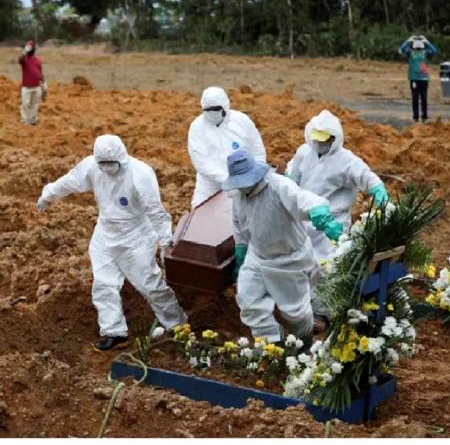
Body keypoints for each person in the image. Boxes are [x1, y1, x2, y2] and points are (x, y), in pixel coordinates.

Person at [36, 134, 187, 351]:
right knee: (104, 284)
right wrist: (48, 195)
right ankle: (114, 331)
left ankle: (178, 326)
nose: (107, 168)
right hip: (105, 233)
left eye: (111, 164)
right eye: (103, 164)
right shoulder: (91, 167)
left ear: (121, 158)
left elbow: (156, 211)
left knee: (150, 284)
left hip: (136, 235)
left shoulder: (141, 174)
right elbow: (69, 181)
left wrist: (165, 241)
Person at [221, 149, 343, 346]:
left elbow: (303, 199)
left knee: (294, 312)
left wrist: (321, 215)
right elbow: (240, 226)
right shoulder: (239, 196)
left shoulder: (278, 186)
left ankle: (304, 341)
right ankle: (272, 343)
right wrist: (241, 251)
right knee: (248, 301)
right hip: (258, 256)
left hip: (289, 258)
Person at [285, 110, 389, 328]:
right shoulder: (304, 153)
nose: (319, 144)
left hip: (332, 225)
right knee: (300, 264)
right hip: (305, 218)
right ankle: (302, 309)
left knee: (326, 267)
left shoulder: (347, 161)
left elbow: (368, 178)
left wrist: (378, 190)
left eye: (324, 140)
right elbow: (291, 177)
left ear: (334, 139)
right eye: (316, 139)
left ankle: (322, 312)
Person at [188, 86, 266, 207]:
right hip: (210, 186)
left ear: (225, 106)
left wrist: (253, 178)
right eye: (208, 109)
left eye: (216, 109)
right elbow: (201, 161)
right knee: (201, 214)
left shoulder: (242, 121)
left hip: (244, 182)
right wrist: (226, 179)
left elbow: (257, 150)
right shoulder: (197, 127)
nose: (212, 112)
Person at [399, 35, 438, 123]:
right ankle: (416, 117)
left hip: (423, 78)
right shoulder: (410, 52)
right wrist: (408, 41)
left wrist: (427, 41)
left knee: (423, 98)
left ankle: (424, 116)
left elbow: (434, 51)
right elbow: (401, 50)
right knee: (415, 98)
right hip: (414, 78)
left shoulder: (426, 53)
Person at [18, 40, 45, 125]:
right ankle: (24, 120)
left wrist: (43, 82)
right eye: (28, 48)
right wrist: (24, 52)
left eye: (30, 48)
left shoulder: (38, 60)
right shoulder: (24, 59)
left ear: (34, 49)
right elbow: (20, 60)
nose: (29, 50)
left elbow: (40, 71)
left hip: (37, 86)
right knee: (25, 104)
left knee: (35, 105)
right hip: (26, 87)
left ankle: (33, 120)